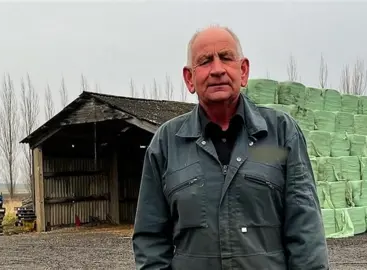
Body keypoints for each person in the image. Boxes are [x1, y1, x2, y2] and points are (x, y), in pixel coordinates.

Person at [132, 25, 329, 270]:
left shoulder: (280, 134)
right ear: (189, 78)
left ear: (243, 70)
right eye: (204, 62)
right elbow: (150, 240)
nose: (217, 70)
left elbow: (305, 231)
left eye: (226, 58)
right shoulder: (167, 143)